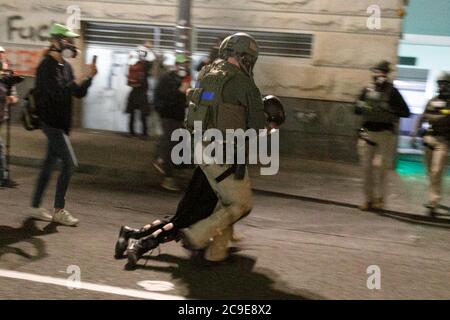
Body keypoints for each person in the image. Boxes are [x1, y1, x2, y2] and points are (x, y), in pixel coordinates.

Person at [125, 33, 268, 267]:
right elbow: (257, 126)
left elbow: (204, 104)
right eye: (250, 58)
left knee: (221, 201)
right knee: (240, 205)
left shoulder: (206, 74)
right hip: (225, 155)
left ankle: (217, 252)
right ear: (244, 57)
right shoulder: (244, 83)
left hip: (201, 151)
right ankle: (196, 235)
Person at [114, 95, 285, 267]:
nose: (271, 130)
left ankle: (132, 234)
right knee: (185, 220)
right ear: (266, 116)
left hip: (211, 173)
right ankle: (141, 244)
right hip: (212, 176)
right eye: (272, 125)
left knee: (182, 217)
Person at [30, 23, 97, 226]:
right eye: (68, 40)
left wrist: (89, 77)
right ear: (56, 41)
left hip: (61, 124)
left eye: (72, 41)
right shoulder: (46, 67)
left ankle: (34, 206)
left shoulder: (65, 67)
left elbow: (76, 93)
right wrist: (79, 80)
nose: (72, 44)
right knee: (70, 164)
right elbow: (57, 94)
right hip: (51, 124)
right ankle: (59, 209)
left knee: (48, 165)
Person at [355, 60, 410, 211]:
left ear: (386, 74)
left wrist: (390, 108)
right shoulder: (366, 89)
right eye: (376, 71)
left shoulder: (392, 92)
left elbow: (406, 112)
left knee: (381, 169)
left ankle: (380, 199)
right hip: (367, 133)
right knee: (366, 169)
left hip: (385, 134)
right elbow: (357, 109)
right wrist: (362, 105)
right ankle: (368, 199)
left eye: (382, 72)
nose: (378, 75)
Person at [411, 72, 450, 215]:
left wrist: (434, 118)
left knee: (436, 170)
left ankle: (433, 201)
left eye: (445, 84)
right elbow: (422, 117)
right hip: (429, 140)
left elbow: (441, 120)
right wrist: (414, 133)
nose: (442, 87)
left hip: (443, 141)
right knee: (430, 172)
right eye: (440, 84)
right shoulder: (432, 101)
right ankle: (433, 197)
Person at [152, 54, 191, 191]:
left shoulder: (183, 78)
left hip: (178, 116)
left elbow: (187, 98)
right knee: (170, 143)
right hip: (168, 115)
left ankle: (160, 159)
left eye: (186, 64)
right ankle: (167, 178)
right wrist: (181, 91)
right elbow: (168, 99)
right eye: (182, 64)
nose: (185, 66)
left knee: (176, 141)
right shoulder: (167, 79)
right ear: (176, 65)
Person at [0, 46, 19, 188]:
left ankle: (3, 176)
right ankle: (2, 177)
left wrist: (11, 99)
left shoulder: (7, 77)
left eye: (2, 56)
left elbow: (14, 96)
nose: (1, 58)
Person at [126, 45, 152, 139]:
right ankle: (144, 133)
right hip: (142, 93)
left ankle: (131, 132)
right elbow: (150, 65)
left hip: (134, 91)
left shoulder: (135, 64)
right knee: (143, 115)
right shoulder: (145, 65)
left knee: (132, 114)